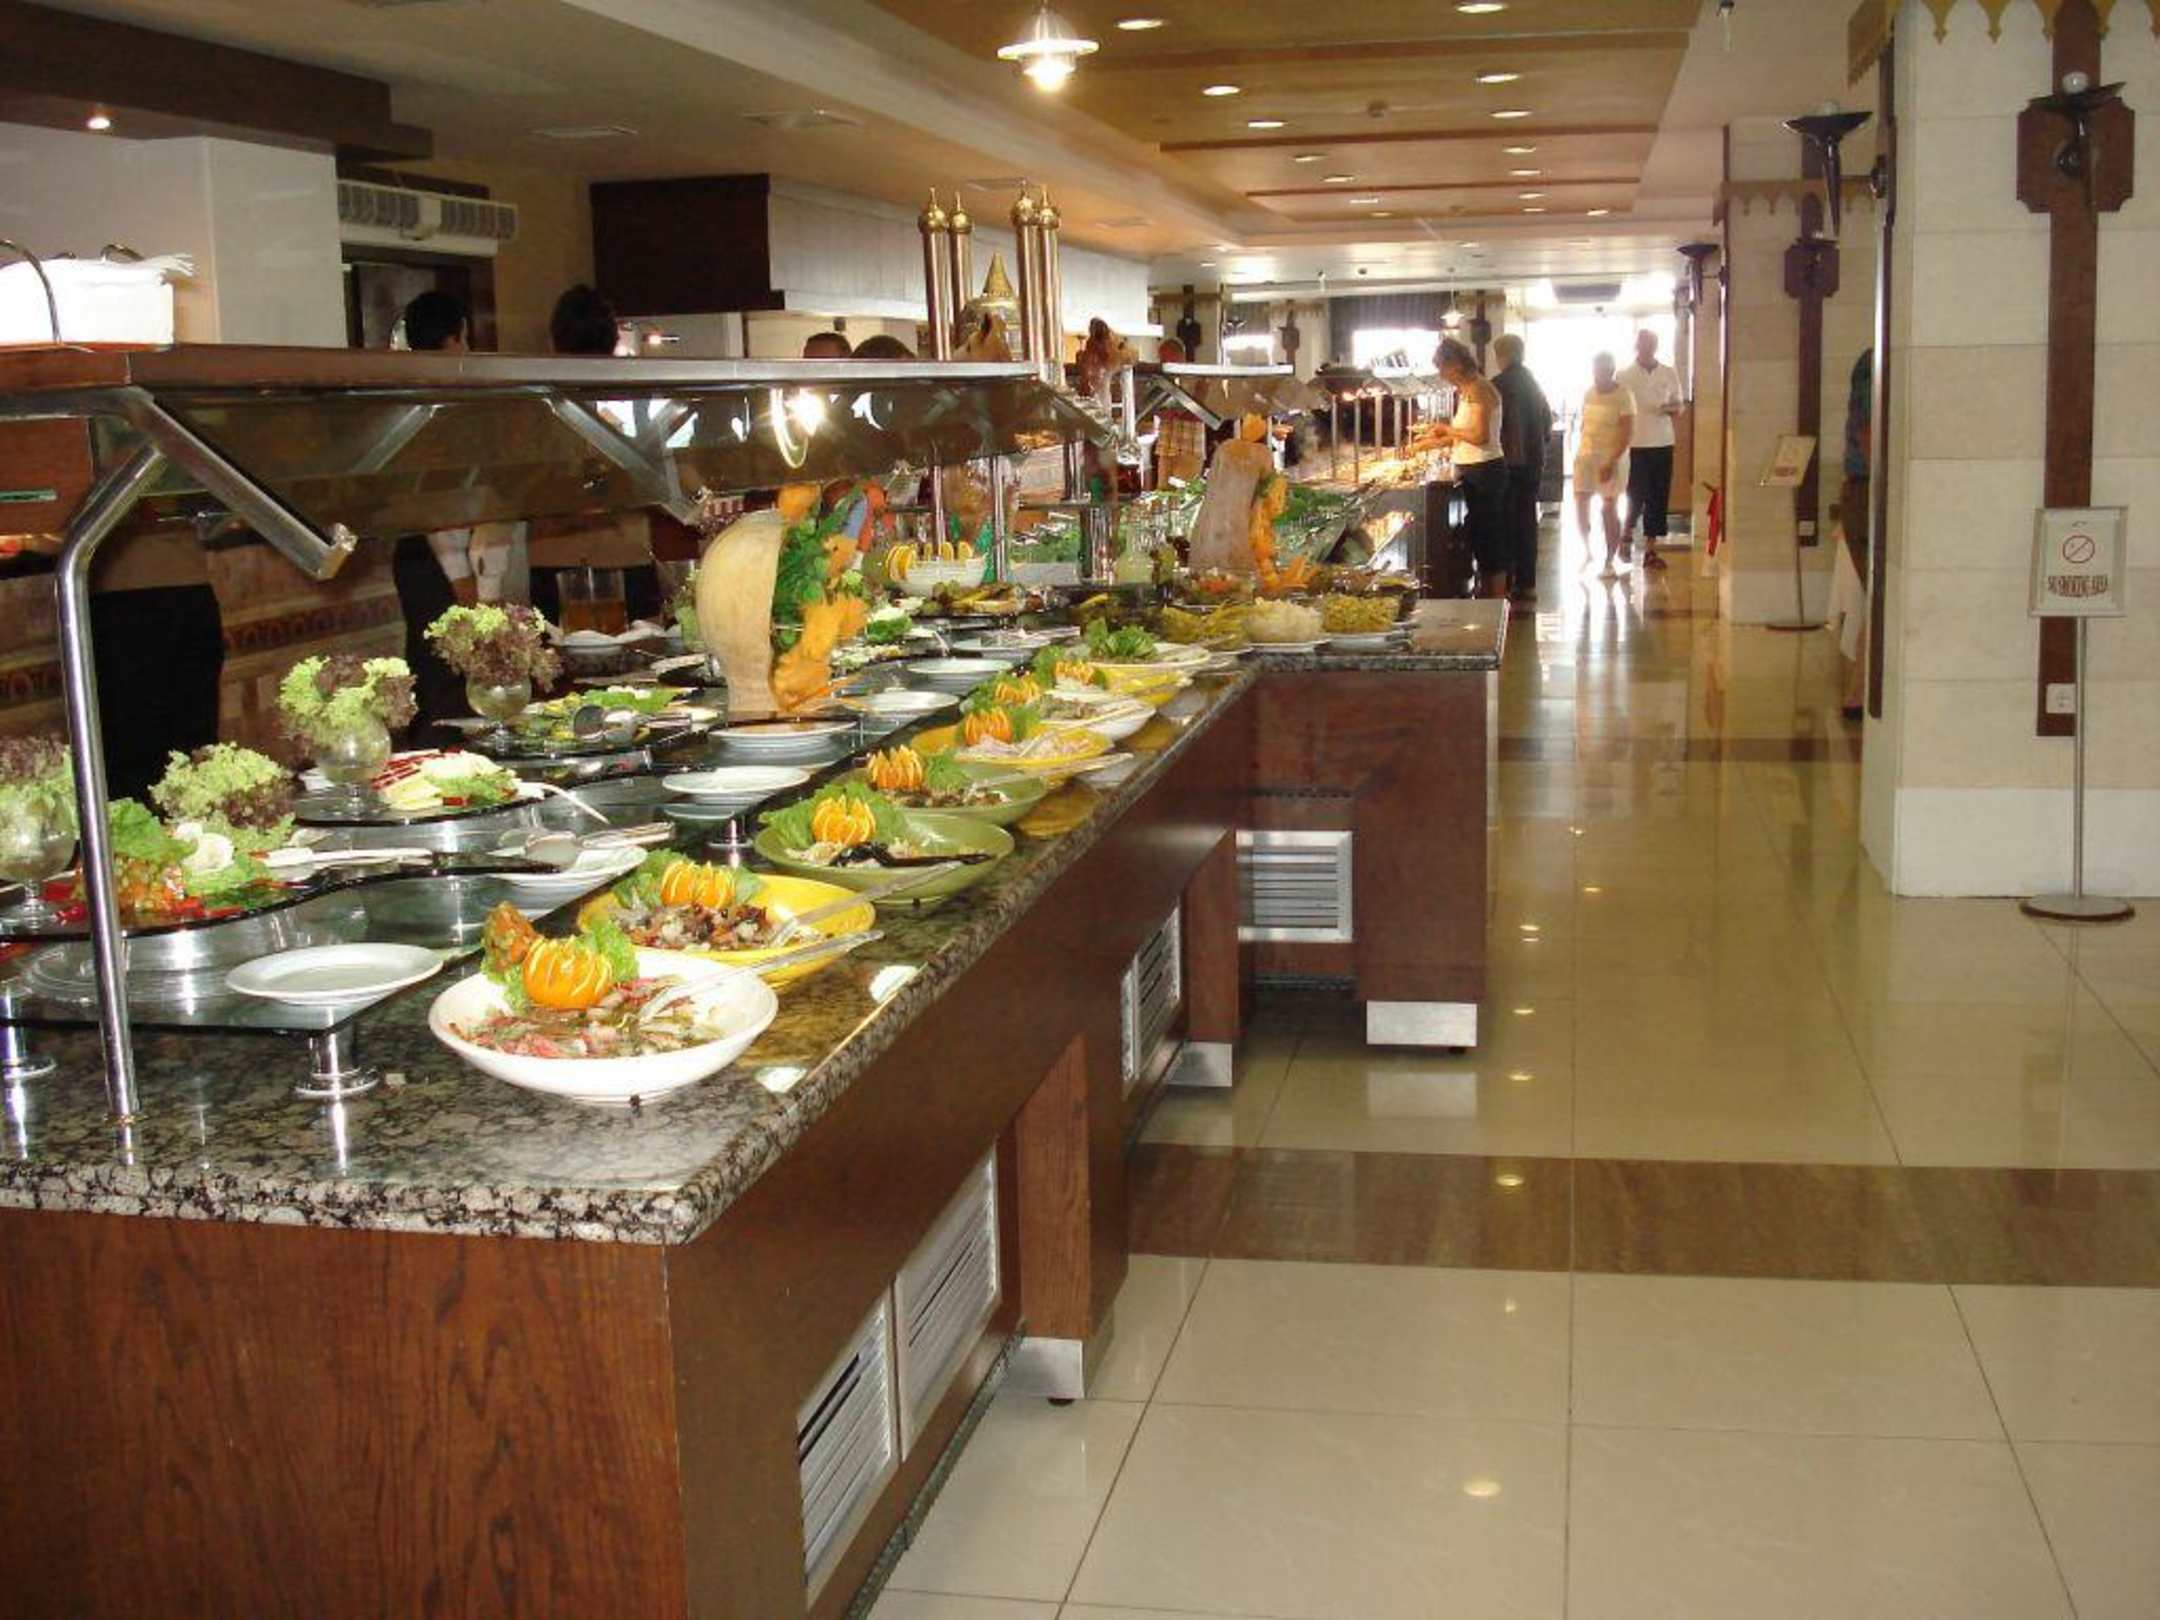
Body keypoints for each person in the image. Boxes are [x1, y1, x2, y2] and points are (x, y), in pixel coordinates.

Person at [528, 285, 662, 627]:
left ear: (553, 341)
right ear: (613, 340)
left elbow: (526, 489)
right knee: (641, 653)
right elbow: (655, 481)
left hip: (555, 559)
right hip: (623, 555)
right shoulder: (637, 397)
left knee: (560, 657)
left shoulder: (533, 406)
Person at [391, 291, 485, 737]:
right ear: (453, 338)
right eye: (464, 338)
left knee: (434, 665)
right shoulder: (437, 401)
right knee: (445, 675)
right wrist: (461, 574)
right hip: (434, 556)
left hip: (417, 555)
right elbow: (436, 498)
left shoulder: (408, 395)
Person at [1415, 337, 1509, 599]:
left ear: (1455, 364)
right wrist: (1430, 443)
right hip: (1474, 469)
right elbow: (1465, 435)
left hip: (1485, 471)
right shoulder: (1469, 390)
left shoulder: (1479, 389)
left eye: (1442, 369)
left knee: (1489, 539)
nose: (1442, 376)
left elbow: (1480, 436)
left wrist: (1447, 430)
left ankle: (1495, 600)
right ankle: (1487, 594)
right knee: (1480, 537)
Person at [1490, 334, 1553, 603]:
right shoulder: (1532, 382)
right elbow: (1547, 421)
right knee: (1526, 521)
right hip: (1533, 463)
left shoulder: (1498, 385)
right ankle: (1527, 582)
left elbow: (1491, 427)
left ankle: (1508, 581)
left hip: (1510, 464)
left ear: (1501, 355)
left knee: (1508, 523)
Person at [1616, 328, 1682, 570]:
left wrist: (1670, 408)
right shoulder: (1624, 375)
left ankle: (1651, 549)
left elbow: (1679, 405)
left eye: (1651, 344)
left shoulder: (1668, 372)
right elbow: (1618, 410)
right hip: (1635, 444)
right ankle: (1626, 535)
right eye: (1643, 344)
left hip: (1663, 441)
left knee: (1658, 495)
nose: (1647, 348)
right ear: (1636, 346)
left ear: (1656, 346)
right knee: (1634, 493)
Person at [1831, 348, 1874, 719]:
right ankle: (1860, 689)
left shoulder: (1874, 363)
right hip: (1867, 489)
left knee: (1878, 596)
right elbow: (1868, 433)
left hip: (1864, 488)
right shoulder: (1874, 367)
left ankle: (1860, 689)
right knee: (1880, 594)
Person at [1574, 352, 1634, 579]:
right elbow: (1584, 425)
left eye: (1603, 371)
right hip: (1586, 455)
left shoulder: (1624, 395)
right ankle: (1587, 551)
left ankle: (1610, 559)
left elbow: (1627, 433)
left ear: (1611, 371)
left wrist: (1611, 461)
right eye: (1596, 371)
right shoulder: (1589, 393)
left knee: (1608, 507)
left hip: (1612, 457)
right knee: (1581, 501)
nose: (1598, 375)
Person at [1152, 337, 1205, 486]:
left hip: (1189, 448)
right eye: (1161, 359)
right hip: (1166, 447)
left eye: (1167, 358)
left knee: (1184, 496)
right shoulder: (1161, 378)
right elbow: (1153, 407)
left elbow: (1203, 412)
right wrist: (1161, 411)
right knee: (1162, 495)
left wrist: (1178, 412)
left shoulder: (1196, 376)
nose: (1164, 362)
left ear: (1180, 356)